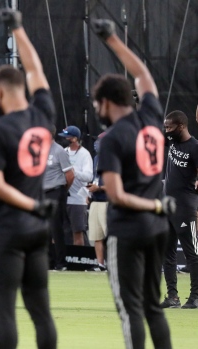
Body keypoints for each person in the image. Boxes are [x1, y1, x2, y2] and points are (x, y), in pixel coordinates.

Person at [93, 19, 173, 349]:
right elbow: (143, 73)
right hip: (157, 229)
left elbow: (116, 195)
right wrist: (111, 38)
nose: (97, 110)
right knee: (154, 308)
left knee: (131, 311)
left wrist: (153, 203)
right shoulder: (153, 119)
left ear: (108, 102)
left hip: (128, 231)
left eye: (98, 104)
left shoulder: (112, 138)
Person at [0, 9, 57, 348]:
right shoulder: (43, 115)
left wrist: (32, 205)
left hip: (7, 228)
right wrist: (18, 28)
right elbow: (36, 69)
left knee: (4, 313)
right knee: (41, 312)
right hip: (37, 232)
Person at [160, 110, 198, 309]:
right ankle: (172, 297)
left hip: (186, 208)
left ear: (181, 126)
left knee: (193, 254)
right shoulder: (172, 141)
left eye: (169, 127)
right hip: (168, 207)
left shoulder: (195, 147)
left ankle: (195, 296)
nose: (166, 130)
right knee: (167, 253)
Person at [43, 126, 74, 271]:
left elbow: (70, 175)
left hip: (56, 191)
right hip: (42, 193)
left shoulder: (58, 150)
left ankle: (61, 263)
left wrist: (62, 191)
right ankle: (48, 262)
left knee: (56, 228)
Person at [58, 125, 93, 246]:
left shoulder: (84, 154)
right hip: (63, 198)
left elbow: (89, 176)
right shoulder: (63, 152)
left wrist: (73, 172)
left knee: (77, 232)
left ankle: (80, 260)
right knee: (62, 232)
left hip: (77, 200)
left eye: (66, 137)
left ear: (74, 139)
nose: (64, 139)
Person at [86, 132, 108, 272]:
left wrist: (99, 188)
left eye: (100, 141)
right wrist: (89, 192)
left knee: (110, 235)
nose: (96, 143)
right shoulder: (96, 158)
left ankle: (114, 264)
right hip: (95, 200)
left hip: (107, 201)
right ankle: (100, 264)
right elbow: (95, 178)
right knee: (96, 235)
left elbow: (117, 184)